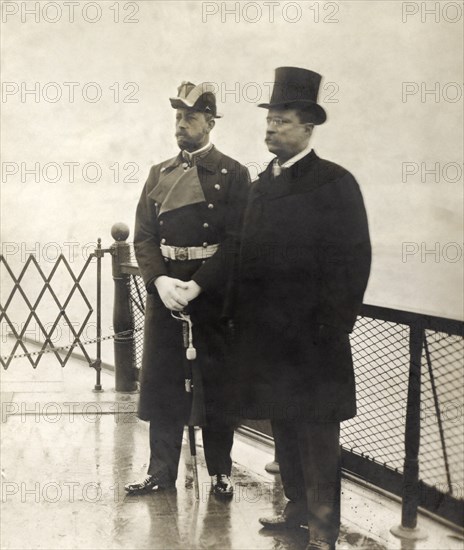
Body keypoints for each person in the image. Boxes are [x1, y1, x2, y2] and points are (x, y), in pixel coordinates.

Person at [231, 67, 371, 549]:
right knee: (282, 422)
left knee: (317, 432)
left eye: (283, 121)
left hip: (314, 340)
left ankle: (325, 526)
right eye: (269, 120)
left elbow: (354, 261)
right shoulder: (260, 186)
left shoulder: (334, 182)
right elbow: (245, 259)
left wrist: (332, 326)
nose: (271, 128)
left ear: (308, 128)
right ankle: (295, 509)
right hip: (268, 338)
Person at [126, 81, 249, 497]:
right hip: (165, 294)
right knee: (162, 382)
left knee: (216, 382)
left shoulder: (234, 174)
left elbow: (237, 242)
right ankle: (160, 472)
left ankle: (220, 472)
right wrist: (159, 280)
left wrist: (197, 286)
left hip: (210, 294)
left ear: (210, 122)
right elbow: (142, 236)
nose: (182, 124)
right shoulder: (158, 173)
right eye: (178, 117)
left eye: (191, 117)